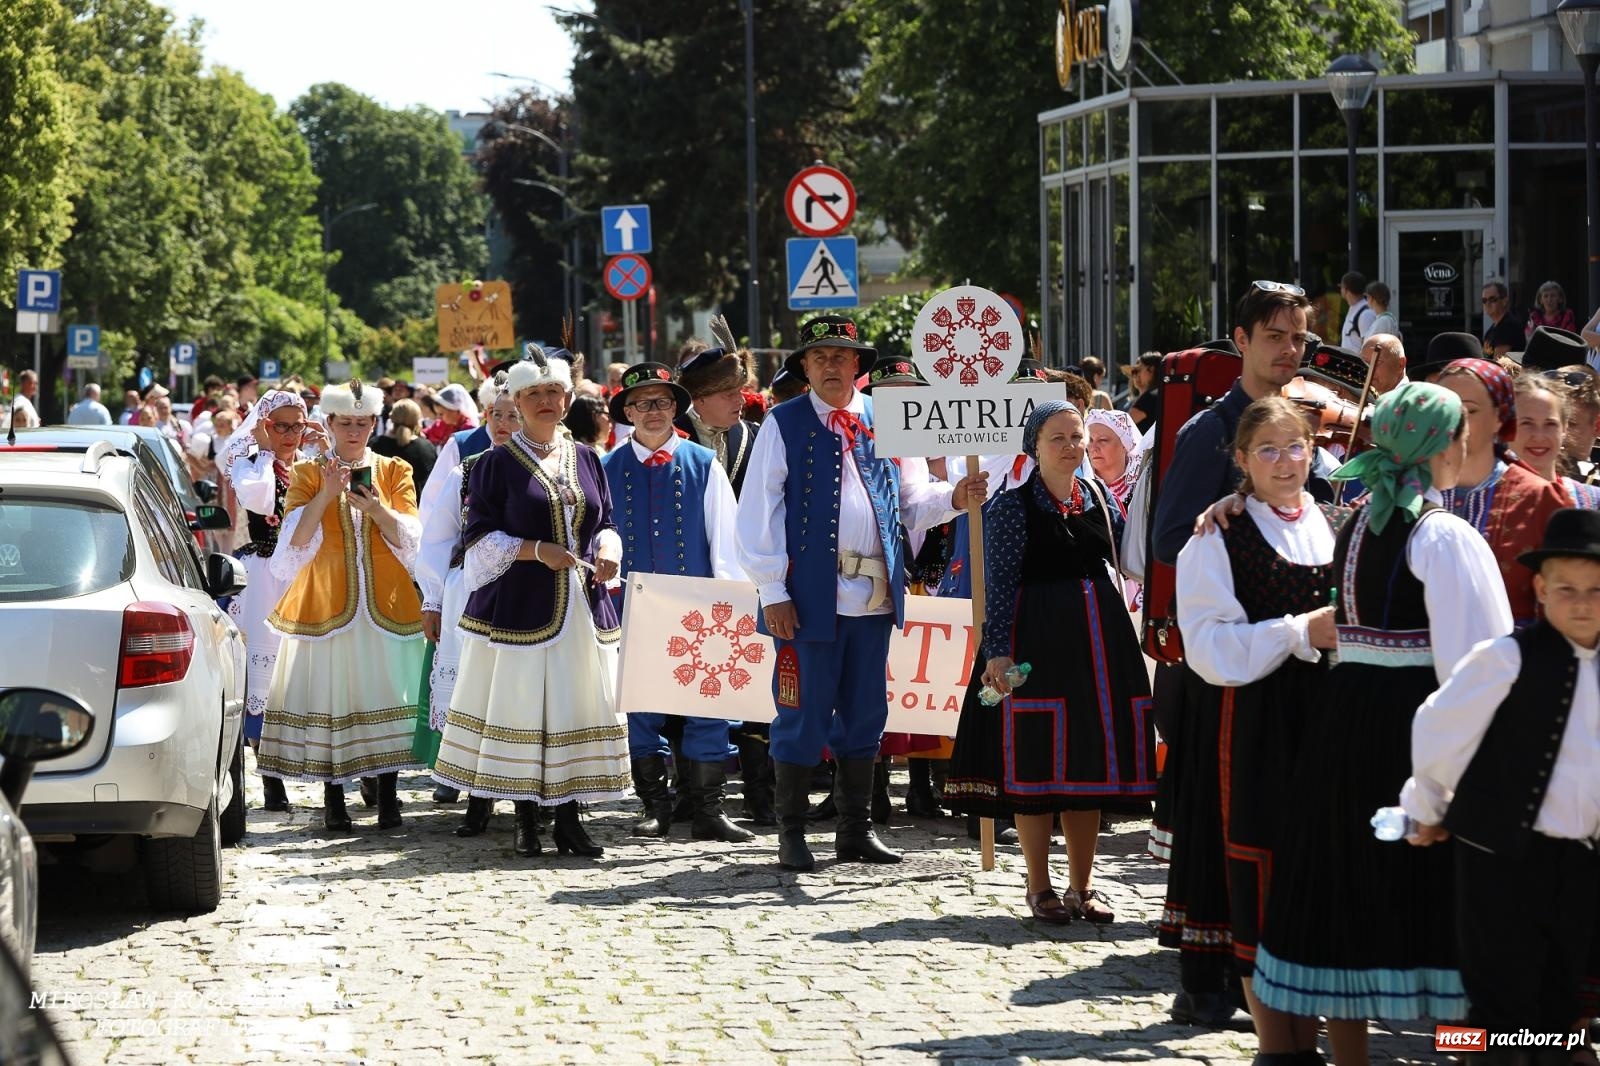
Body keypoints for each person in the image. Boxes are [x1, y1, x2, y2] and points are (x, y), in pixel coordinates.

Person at [1251, 382, 1515, 1065]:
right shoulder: (1444, 534)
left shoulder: (1359, 523)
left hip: (1345, 729)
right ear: (1443, 446)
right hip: (1414, 732)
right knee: (1449, 918)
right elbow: (1479, 668)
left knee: (1350, 901)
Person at [736, 314, 989, 872]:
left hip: (874, 594)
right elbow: (759, 512)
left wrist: (958, 496)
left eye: (841, 357)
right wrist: (773, 590)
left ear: (858, 366)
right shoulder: (783, 423)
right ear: (804, 366)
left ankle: (855, 828)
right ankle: (792, 833)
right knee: (800, 714)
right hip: (807, 600)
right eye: (820, 357)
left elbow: (914, 501)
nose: (831, 365)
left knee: (866, 711)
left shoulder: (887, 419)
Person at [1151, 282, 1327, 1029]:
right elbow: (1166, 539)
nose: (1289, 350)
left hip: (1298, 680)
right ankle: (1209, 971)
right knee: (1212, 810)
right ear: (1242, 339)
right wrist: (1227, 508)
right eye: (1276, 336)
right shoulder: (1207, 431)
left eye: (1300, 338)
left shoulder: (1312, 424)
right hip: (1223, 659)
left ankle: (1264, 963)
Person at [1176, 396, 1345, 1058]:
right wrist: (1301, 630)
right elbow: (1210, 652)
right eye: (1267, 450)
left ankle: (1319, 1030)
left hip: (1330, 725)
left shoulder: (1338, 522)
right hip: (1255, 727)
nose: (1284, 462)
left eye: (1295, 446)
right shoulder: (1217, 537)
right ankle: (1280, 1047)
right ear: (1241, 460)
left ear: (1314, 450)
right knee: (1263, 874)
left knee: (1322, 875)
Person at [945, 400, 1155, 924]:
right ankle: (1039, 887)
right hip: (1031, 643)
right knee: (1034, 759)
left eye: (1076, 435)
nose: (1069, 445)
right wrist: (997, 650)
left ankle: (1083, 887)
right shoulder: (1012, 506)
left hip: (1097, 646)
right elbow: (999, 583)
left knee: (1087, 761)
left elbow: (1130, 558)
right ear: (1033, 446)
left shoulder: (1102, 498)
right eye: (1056, 437)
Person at [1401, 507, 1600, 1055]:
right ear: (1539, 588)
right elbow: (1440, 728)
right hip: (1498, 856)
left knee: (1560, 1000)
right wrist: (1428, 804)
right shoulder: (1507, 657)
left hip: (1579, 863)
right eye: (1567, 589)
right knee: (1498, 1001)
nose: (1582, 602)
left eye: (1595, 590)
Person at [430, 350, 627, 859]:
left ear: (566, 399)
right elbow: (477, 542)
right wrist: (537, 551)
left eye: (553, 393)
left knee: (570, 707)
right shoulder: (493, 466)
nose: (545, 401)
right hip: (518, 609)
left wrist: (606, 549)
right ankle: (523, 818)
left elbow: (603, 522)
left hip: (580, 608)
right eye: (533, 395)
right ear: (516, 402)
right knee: (522, 708)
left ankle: (568, 818)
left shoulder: (586, 458)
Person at [257, 380, 426, 832]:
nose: (354, 431)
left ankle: (388, 798)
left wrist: (376, 510)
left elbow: (412, 541)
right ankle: (335, 801)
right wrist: (328, 493)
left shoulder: (394, 470)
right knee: (332, 700)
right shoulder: (308, 472)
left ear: (375, 423)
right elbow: (293, 544)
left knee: (387, 695)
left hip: (386, 603)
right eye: (345, 423)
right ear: (329, 424)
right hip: (326, 602)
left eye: (363, 422)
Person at [602, 362, 750, 844]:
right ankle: (655, 806)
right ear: (627, 411)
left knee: (706, 705)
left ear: (676, 408)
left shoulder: (703, 463)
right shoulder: (606, 469)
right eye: (642, 403)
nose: (653, 411)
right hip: (633, 606)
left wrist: (728, 601)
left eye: (662, 402)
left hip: (698, 607)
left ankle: (709, 810)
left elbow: (726, 540)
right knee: (641, 707)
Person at [414, 374, 521, 826]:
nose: (504, 423)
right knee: (470, 688)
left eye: (513, 414)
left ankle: (523, 786)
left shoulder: (554, 466)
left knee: (516, 689)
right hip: (469, 593)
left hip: (526, 592)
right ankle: (468, 782)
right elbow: (436, 535)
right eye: (496, 414)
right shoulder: (467, 466)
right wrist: (433, 598)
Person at [674, 336, 768, 817]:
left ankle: (759, 793)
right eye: (730, 393)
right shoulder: (671, 434)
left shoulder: (750, 435)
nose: (741, 401)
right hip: (685, 577)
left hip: (744, 575)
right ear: (701, 398)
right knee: (683, 686)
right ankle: (687, 792)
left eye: (740, 392)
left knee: (752, 681)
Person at [222, 390, 322, 812]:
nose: (289, 435)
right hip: (266, 576)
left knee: (315, 672)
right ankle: (272, 779)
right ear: (264, 426)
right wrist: (264, 452)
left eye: (296, 426)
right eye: (280, 426)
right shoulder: (254, 468)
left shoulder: (311, 463)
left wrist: (325, 446)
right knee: (267, 677)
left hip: (312, 575)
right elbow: (261, 501)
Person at [1434, 357, 1572, 625]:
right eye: (1445, 409)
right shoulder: (1408, 492)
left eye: (1470, 411)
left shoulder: (1541, 499)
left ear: (1499, 418)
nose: (1454, 421)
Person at [1512, 374, 1600, 507]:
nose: (1539, 436)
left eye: (1550, 424)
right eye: (1526, 423)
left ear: (1564, 429)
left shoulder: (1593, 502)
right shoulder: (1477, 498)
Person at [369, 398, 439, 497]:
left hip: (379, 506)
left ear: (392, 417)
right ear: (417, 419)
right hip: (415, 508)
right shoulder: (426, 447)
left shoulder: (374, 444)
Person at [424, 382, 479, 446]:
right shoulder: (443, 423)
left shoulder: (469, 428)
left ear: (454, 410)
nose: (439, 417)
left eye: (441, 414)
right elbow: (426, 433)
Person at [1481, 279, 1525, 359]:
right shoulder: (1490, 331)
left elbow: (1498, 363)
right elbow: (1485, 358)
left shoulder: (1509, 326)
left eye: (1492, 299)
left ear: (1504, 301)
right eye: (1484, 300)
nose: (1487, 303)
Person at [1339, 271, 1375, 350]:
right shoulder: (1354, 309)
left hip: (1358, 362)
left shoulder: (1366, 314)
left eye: (1341, 287)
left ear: (1345, 289)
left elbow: (1369, 348)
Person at [1127, 352, 1162, 427]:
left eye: (1139, 369)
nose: (1136, 375)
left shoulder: (1150, 397)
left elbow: (1124, 424)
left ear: (1151, 370)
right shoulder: (1161, 393)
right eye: (1134, 372)